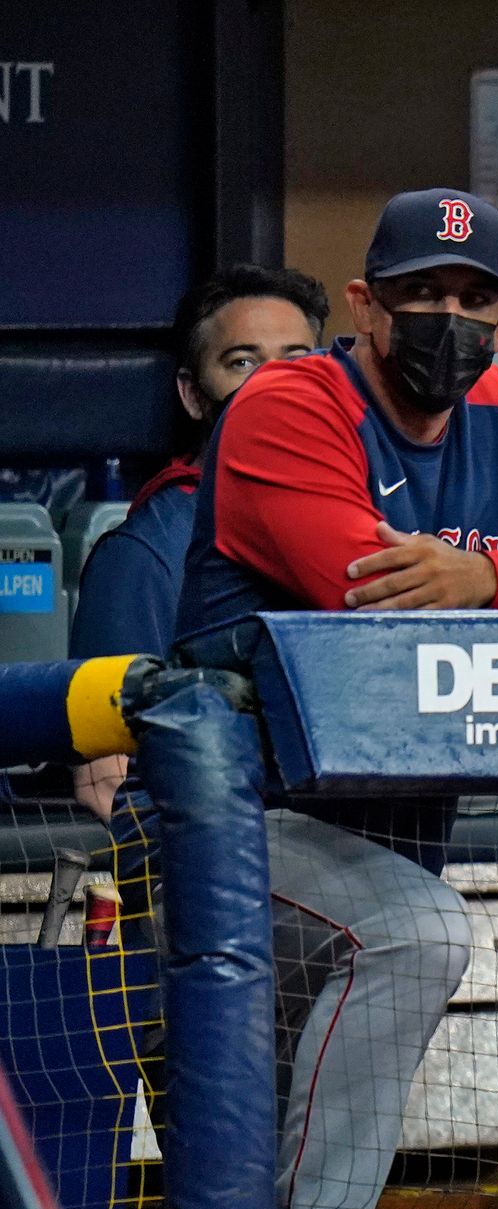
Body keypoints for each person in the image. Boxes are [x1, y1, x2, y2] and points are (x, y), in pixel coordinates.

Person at [176, 188, 498, 1209]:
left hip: (379, 836)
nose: (450, 320)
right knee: (417, 934)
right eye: (423, 293)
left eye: (475, 298)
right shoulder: (289, 403)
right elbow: (368, 595)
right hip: (228, 829)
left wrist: (478, 576)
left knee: (265, 1119)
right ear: (368, 303)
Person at [71, 265, 329, 820]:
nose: (273, 383)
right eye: (242, 362)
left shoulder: (356, 528)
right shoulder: (144, 554)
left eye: (298, 360)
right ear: (192, 394)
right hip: (219, 864)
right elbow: (107, 785)